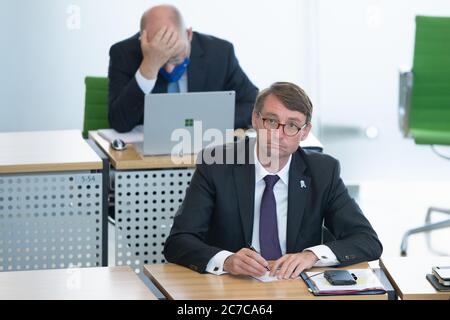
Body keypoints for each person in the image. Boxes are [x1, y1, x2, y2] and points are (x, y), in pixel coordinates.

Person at [164, 82, 382, 279]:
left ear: (305, 132)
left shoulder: (323, 171)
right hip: (233, 288)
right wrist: (226, 260)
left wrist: (311, 255)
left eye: (292, 125)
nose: (279, 134)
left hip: (294, 287)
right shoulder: (217, 165)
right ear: (255, 120)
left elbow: (367, 240)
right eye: (271, 121)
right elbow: (178, 242)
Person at [108, 4, 258, 133]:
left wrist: (208, 123)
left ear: (188, 35)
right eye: (161, 59)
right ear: (143, 42)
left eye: (175, 58)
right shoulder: (124, 54)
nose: (169, 69)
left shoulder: (220, 53)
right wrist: (148, 68)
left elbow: (253, 105)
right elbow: (119, 123)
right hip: (147, 157)